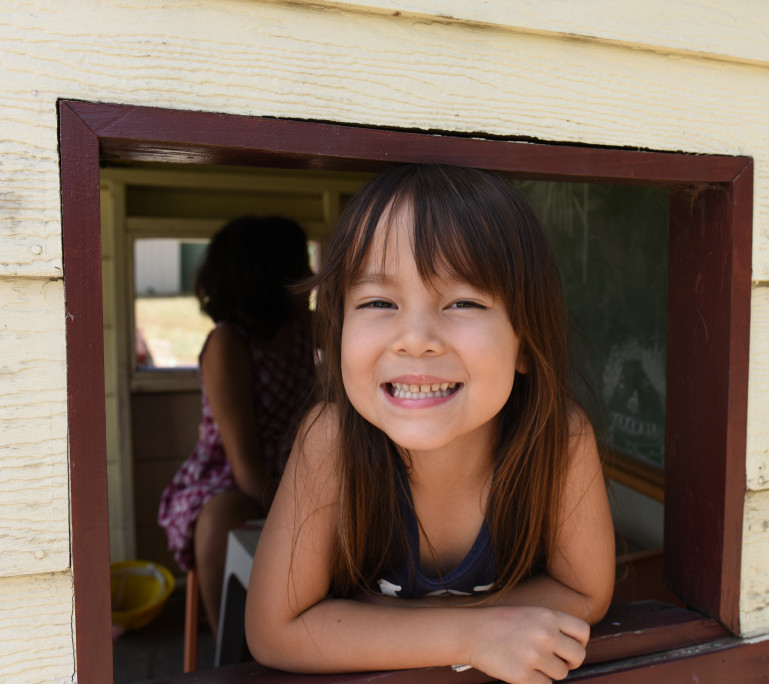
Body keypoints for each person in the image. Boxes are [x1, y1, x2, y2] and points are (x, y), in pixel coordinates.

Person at [245, 165, 616, 683]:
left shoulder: (560, 438)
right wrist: (471, 636)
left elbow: (585, 593)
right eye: (378, 302)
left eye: (463, 301)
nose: (416, 338)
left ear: (525, 343)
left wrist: (383, 625)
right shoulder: (330, 439)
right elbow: (274, 631)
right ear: (337, 333)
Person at [157, 215, 316, 632]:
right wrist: (297, 514)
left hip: (295, 469)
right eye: (302, 267)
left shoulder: (304, 328)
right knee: (220, 520)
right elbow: (244, 465)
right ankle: (229, 651)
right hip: (228, 479)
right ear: (270, 278)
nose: (313, 278)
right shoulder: (229, 344)